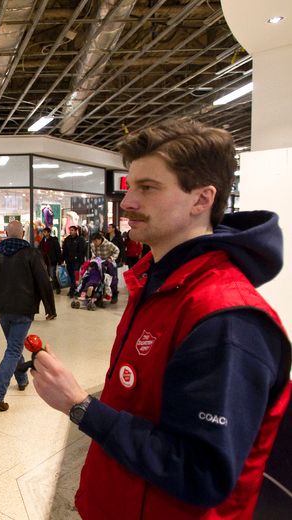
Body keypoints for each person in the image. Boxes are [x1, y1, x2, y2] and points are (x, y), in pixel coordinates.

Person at [31, 118, 291, 519]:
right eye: (130, 186)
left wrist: (81, 406)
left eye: (148, 188)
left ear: (202, 199)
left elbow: (201, 473)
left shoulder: (226, 319)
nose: (127, 202)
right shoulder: (156, 284)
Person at [0, 221, 56, 412]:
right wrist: (50, 308)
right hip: (24, 309)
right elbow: (43, 281)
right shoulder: (31, 253)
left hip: (3, 310)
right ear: (23, 233)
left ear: (6, 233)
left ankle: (22, 379)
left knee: (14, 346)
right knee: (14, 349)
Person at [90, 232, 120, 303]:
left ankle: (114, 295)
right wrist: (93, 256)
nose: (94, 243)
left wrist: (111, 258)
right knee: (98, 279)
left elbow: (117, 250)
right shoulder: (92, 245)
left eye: (96, 241)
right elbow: (92, 251)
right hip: (99, 263)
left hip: (109, 263)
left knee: (112, 281)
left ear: (100, 239)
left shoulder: (108, 244)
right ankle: (99, 295)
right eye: (93, 241)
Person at [62, 225, 88, 297]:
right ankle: (75, 288)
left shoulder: (80, 239)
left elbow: (83, 250)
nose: (71, 231)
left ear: (76, 231)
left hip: (77, 261)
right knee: (70, 275)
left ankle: (72, 290)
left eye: (72, 230)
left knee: (74, 274)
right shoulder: (67, 239)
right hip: (69, 260)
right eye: (70, 230)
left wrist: (79, 257)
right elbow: (64, 250)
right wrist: (63, 259)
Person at [39, 227, 63, 294]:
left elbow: (58, 251)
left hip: (52, 260)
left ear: (49, 233)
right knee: (46, 275)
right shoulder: (42, 241)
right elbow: (40, 249)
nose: (44, 233)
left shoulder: (54, 241)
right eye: (44, 232)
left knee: (52, 275)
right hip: (45, 260)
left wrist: (59, 260)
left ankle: (57, 287)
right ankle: (48, 288)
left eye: (46, 232)